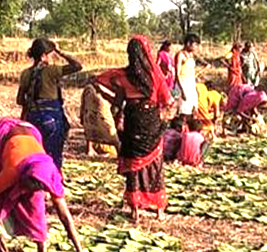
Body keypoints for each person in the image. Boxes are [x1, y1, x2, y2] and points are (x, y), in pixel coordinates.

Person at [0, 118, 92, 252]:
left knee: (36, 203)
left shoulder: (51, 176)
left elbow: (65, 216)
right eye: (24, 186)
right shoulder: (12, 171)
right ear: (23, 178)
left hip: (33, 134)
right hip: (3, 135)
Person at [94, 35, 173, 223]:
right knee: (154, 163)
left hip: (132, 121)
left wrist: (101, 91)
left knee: (133, 164)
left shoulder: (123, 76)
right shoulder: (155, 76)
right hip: (150, 122)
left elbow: (114, 96)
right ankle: (158, 210)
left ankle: (135, 210)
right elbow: (167, 101)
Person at [17, 38, 81, 167]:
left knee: (34, 154)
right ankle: (52, 181)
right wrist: (60, 51)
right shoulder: (52, 71)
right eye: (51, 55)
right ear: (43, 56)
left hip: (32, 118)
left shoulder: (26, 74)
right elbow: (77, 66)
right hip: (51, 119)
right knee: (53, 156)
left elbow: (20, 100)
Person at [79, 82, 119, 156]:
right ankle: (120, 153)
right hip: (97, 110)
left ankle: (90, 149)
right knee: (110, 132)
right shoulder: (91, 89)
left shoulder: (90, 88)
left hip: (97, 109)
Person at [175, 33, 200, 123]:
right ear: (188, 43)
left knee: (193, 109)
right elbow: (177, 74)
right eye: (195, 44)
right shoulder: (180, 55)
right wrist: (182, 91)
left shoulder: (191, 55)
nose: (196, 47)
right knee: (183, 111)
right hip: (182, 84)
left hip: (191, 84)